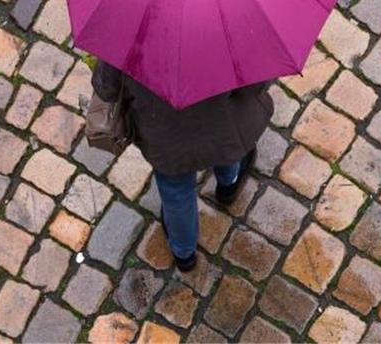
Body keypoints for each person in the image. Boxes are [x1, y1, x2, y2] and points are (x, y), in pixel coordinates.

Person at [89, 60, 273, 272]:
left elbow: (106, 88)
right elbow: (256, 85)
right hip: (223, 127)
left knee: (176, 195)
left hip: (166, 141)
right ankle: (228, 187)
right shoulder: (232, 35)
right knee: (228, 154)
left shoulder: (128, 38)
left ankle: (184, 254)